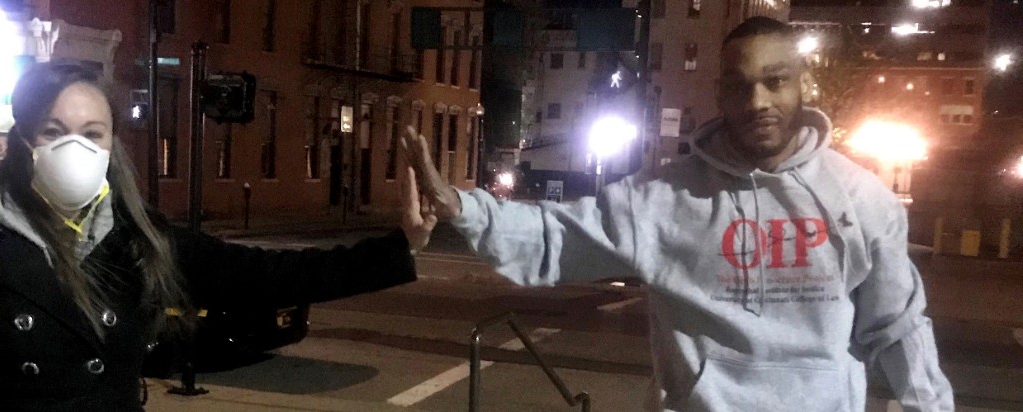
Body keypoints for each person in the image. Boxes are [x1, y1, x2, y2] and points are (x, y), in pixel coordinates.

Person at [403, 17, 953, 411]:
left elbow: (898, 325)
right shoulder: (664, 198)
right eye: (740, 85)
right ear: (719, 94)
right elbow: (557, 236)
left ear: (804, 84)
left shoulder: (859, 197)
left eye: (775, 80)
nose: (758, 100)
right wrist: (461, 207)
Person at [0, 62, 437, 411]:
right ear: (23, 142)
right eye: (54, 129)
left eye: (92, 132)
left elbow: (270, 276)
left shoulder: (140, 240)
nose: (74, 145)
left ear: (110, 146)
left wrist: (399, 246)